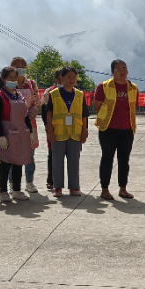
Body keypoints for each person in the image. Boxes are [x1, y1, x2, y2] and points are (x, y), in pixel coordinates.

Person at [93, 59, 137, 200]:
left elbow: (133, 107)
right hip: (108, 129)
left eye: (124, 68)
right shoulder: (104, 86)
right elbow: (97, 106)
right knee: (107, 159)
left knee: (124, 160)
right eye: (118, 69)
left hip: (127, 129)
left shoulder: (133, 88)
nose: (122, 71)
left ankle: (123, 189)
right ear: (112, 72)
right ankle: (104, 189)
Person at [0, 67, 34, 202]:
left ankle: (17, 190)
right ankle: (3, 191)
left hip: (21, 132)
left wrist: (30, 131)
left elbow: (26, 116)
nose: (13, 80)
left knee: (18, 162)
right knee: (6, 162)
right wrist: (0, 136)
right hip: (7, 133)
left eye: (15, 78)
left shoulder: (19, 95)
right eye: (10, 78)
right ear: (3, 79)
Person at [46, 66, 88, 197]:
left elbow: (84, 115)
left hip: (75, 132)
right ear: (62, 78)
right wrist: (50, 131)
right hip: (58, 131)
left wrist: (84, 130)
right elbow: (49, 113)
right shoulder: (54, 94)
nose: (72, 80)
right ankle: (58, 187)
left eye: (74, 77)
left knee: (74, 160)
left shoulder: (80, 95)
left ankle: (74, 187)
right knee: (57, 160)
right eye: (68, 77)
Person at [10, 57, 41, 194]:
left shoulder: (32, 84)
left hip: (29, 124)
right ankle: (13, 184)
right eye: (17, 66)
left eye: (23, 65)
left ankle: (29, 182)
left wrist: (29, 117)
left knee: (30, 155)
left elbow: (37, 102)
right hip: (12, 125)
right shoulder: (8, 83)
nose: (20, 68)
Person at [41, 69, 63, 190]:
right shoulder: (49, 91)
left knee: (70, 156)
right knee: (53, 155)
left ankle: (72, 182)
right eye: (59, 78)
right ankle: (51, 180)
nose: (61, 81)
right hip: (53, 127)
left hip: (69, 129)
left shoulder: (75, 93)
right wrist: (47, 126)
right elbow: (44, 109)